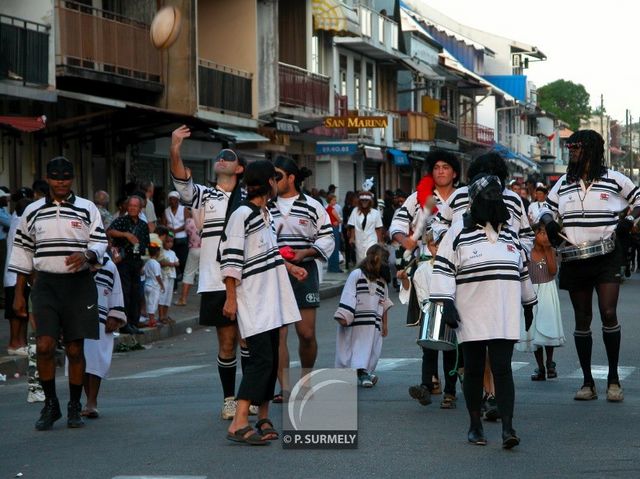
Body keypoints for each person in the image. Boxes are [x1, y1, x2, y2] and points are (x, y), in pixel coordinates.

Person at [430, 174, 537, 448]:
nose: (492, 200)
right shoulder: (458, 232)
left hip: (504, 310)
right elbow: (443, 267)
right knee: (475, 369)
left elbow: (522, 269)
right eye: (487, 195)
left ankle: (508, 429)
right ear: (474, 201)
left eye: (496, 195)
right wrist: (446, 302)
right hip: (471, 311)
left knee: (503, 368)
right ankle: (475, 426)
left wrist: (528, 302)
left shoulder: (510, 232)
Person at [539, 129, 640, 402]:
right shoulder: (563, 183)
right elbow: (544, 208)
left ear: (593, 150)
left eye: (577, 147)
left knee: (608, 312)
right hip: (574, 258)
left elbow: (639, 199)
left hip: (607, 255)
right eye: (570, 147)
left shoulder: (615, 179)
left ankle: (614, 379)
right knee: (582, 318)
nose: (572, 151)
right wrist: (548, 221)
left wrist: (629, 222)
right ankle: (587, 381)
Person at [9, 156, 108, 430]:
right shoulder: (32, 211)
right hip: (45, 286)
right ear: (48, 179)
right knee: (44, 345)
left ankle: (75, 404)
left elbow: (100, 242)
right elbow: (23, 251)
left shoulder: (88, 209)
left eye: (66, 177)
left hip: (78, 285)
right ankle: (50, 404)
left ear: (72, 179)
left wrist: (87, 253)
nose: (61, 182)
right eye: (55, 177)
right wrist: (19, 294)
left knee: (76, 348)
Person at [220, 160, 304, 445]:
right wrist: (231, 298)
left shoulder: (265, 214)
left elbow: (267, 254)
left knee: (269, 360)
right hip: (253, 300)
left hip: (271, 300)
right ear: (268, 183)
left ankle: (263, 416)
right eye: (275, 179)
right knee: (260, 361)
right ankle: (239, 422)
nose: (277, 184)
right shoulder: (242, 214)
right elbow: (230, 259)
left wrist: (291, 268)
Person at [170, 125, 248, 420]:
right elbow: (181, 178)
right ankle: (229, 399)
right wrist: (175, 147)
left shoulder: (251, 198)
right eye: (220, 156)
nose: (222, 159)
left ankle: (249, 397)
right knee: (227, 342)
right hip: (215, 280)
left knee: (248, 341)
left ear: (239, 168)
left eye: (228, 156)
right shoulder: (203, 196)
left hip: (247, 280)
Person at [390, 150, 460, 405]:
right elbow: (397, 224)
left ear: (454, 172)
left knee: (454, 331)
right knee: (429, 332)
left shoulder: (464, 198)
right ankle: (427, 383)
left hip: (458, 271)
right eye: (437, 167)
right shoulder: (418, 198)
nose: (441, 171)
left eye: (446, 167)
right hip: (427, 270)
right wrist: (404, 239)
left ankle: (451, 389)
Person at [269, 156, 334, 402]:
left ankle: (306, 380)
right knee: (279, 334)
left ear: (291, 178)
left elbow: (327, 237)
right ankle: (284, 388)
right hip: (274, 272)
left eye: (277, 176)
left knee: (306, 333)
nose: (273, 181)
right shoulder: (266, 205)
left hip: (305, 270)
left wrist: (305, 252)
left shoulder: (313, 205)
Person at [334, 244, 392, 387]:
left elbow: (383, 303)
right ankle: (362, 373)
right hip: (355, 321)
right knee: (352, 348)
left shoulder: (381, 282)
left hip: (372, 323)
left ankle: (364, 372)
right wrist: (344, 315)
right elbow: (348, 294)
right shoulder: (357, 275)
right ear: (377, 258)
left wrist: (384, 324)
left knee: (370, 348)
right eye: (384, 261)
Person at [78, 252, 127, 418]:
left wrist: (114, 315)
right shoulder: (75, 263)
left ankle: (92, 401)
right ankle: (86, 399)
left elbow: (117, 292)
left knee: (97, 361)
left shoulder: (109, 266)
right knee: (80, 360)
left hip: (101, 319)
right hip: (78, 318)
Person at [516, 223, 565, 379]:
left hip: (547, 290)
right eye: (541, 233)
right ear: (534, 235)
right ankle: (540, 367)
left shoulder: (551, 251)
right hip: (532, 291)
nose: (545, 237)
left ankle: (550, 362)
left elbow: (552, 271)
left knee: (548, 325)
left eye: (546, 234)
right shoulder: (526, 252)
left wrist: (547, 250)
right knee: (534, 329)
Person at [107, 195, 150, 334]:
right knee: (125, 292)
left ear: (140, 209)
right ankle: (124, 324)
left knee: (136, 292)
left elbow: (144, 244)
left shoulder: (143, 225)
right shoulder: (121, 221)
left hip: (136, 261)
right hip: (123, 262)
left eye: (135, 206)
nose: (132, 208)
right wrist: (125, 235)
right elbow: (109, 231)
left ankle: (133, 322)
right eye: (130, 205)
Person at [4, 197, 33, 356]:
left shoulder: (19, 222)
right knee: (16, 313)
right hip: (14, 275)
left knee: (23, 313)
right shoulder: (19, 224)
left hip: (20, 274)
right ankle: (14, 343)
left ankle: (21, 342)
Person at [348, 192, 383, 264]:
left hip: (372, 239)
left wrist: (380, 241)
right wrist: (352, 238)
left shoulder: (375, 213)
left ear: (370, 201)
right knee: (360, 260)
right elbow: (352, 226)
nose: (364, 202)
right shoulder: (355, 211)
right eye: (362, 200)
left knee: (370, 258)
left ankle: (371, 274)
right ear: (360, 201)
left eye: (366, 200)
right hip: (359, 239)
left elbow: (378, 228)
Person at [176, 212, 201, 306]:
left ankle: (183, 299)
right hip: (205, 250)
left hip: (193, 249)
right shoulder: (205, 219)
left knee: (188, 273)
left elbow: (186, 232)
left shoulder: (189, 221)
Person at [163, 191, 188, 282]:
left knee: (183, 258)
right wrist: (170, 232)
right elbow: (164, 224)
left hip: (183, 237)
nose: (172, 201)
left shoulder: (183, 209)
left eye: (174, 199)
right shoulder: (166, 211)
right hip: (171, 238)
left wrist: (176, 230)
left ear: (178, 200)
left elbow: (187, 223)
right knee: (173, 256)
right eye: (170, 199)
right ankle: (176, 276)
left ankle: (183, 275)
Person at [143, 242, 164, 328]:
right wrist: (162, 285)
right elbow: (157, 276)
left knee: (148, 302)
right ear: (157, 252)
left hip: (147, 284)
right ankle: (152, 320)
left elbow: (142, 271)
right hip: (154, 285)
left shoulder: (147, 262)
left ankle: (151, 319)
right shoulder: (156, 263)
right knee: (153, 302)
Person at [158, 234, 178, 324]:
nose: (170, 244)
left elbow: (177, 262)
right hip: (164, 277)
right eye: (167, 242)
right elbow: (161, 263)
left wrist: (174, 263)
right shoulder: (161, 252)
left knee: (168, 297)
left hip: (171, 276)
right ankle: (161, 316)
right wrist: (170, 263)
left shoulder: (172, 252)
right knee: (163, 296)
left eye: (171, 242)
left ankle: (165, 315)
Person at [326, 193, 343, 273]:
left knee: (331, 247)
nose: (335, 201)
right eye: (334, 200)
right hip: (334, 228)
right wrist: (340, 221)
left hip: (330, 228)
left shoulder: (326, 209)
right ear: (331, 201)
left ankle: (331, 267)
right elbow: (339, 220)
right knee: (336, 247)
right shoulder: (332, 209)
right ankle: (335, 267)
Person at [342, 191, 357, 269]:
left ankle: (348, 263)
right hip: (351, 228)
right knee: (352, 246)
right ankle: (353, 261)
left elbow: (345, 219)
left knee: (347, 246)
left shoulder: (345, 207)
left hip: (346, 228)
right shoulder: (353, 208)